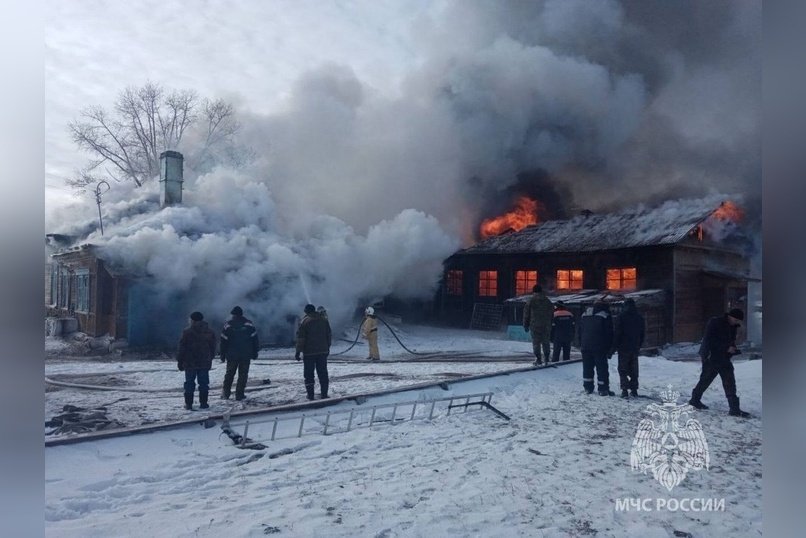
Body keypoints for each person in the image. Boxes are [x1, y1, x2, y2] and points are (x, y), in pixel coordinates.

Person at [689, 308, 750, 417]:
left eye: (738, 321)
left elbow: (729, 341)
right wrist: (726, 348)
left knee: (729, 380)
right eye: (736, 320)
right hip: (711, 356)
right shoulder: (715, 322)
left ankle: (734, 409)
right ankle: (695, 400)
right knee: (706, 379)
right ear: (730, 316)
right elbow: (710, 340)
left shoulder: (733, 326)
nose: (736, 322)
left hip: (723, 357)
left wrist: (733, 348)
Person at [176, 311, 217, 410]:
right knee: (203, 383)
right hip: (204, 362)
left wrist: (180, 361)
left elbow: (182, 347)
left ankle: (189, 404)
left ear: (192, 320)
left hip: (190, 362)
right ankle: (204, 403)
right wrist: (209, 358)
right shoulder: (209, 331)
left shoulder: (187, 332)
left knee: (189, 383)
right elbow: (213, 347)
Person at [220, 306, 259, 401]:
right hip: (246, 354)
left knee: (229, 374)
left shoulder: (228, 325)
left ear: (232, 315)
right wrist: (255, 352)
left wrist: (222, 354)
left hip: (232, 354)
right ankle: (239, 394)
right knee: (243, 374)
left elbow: (223, 341)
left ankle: (226, 393)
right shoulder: (249, 324)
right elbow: (255, 339)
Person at [295, 304, 332, 400]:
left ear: (306, 311)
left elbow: (301, 338)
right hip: (323, 352)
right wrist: (327, 348)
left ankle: (310, 395)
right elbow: (329, 335)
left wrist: (298, 351)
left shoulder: (304, 322)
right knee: (323, 373)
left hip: (309, 353)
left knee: (309, 374)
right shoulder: (324, 320)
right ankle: (324, 394)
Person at [578, 301, 614, 395]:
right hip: (599, 346)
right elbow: (609, 333)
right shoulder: (605, 315)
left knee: (587, 367)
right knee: (601, 368)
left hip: (585, 346)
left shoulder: (584, 315)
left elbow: (579, 331)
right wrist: (609, 348)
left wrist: (581, 343)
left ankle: (588, 388)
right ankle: (603, 389)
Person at [614, 299, 645, 398]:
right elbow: (642, 333)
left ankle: (624, 390)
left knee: (623, 369)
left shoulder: (621, 317)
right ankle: (634, 390)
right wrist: (639, 345)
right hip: (635, 347)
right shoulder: (639, 317)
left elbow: (617, 333)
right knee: (634, 369)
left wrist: (614, 346)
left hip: (623, 347)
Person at [523, 285, 554, 366]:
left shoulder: (531, 300)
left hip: (534, 325)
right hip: (546, 325)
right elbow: (552, 313)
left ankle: (538, 359)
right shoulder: (547, 301)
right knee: (546, 342)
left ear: (534, 291)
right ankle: (547, 358)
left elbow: (526, 314)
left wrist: (525, 325)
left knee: (536, 343)